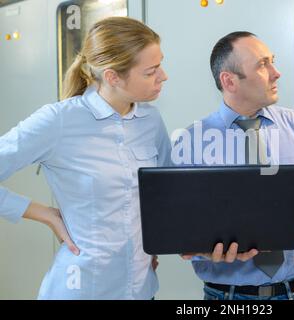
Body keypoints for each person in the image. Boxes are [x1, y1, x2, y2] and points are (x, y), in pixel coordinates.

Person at [0, 17, 170, 299]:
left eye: (160, 64)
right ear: (113, 76)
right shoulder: (59, 120)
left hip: (141, 290)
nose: (163, 76)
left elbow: (166, 191)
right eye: (151, 71)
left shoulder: (150, 120)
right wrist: (46, 215)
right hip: (82, 289)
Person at [177, 32, 294, 300]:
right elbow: (180, 224)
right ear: (229, 81)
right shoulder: (192, 142)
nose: (276, 73)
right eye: (262, 64)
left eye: (273, 61)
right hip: (226, 297)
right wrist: (201, 248)